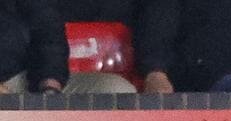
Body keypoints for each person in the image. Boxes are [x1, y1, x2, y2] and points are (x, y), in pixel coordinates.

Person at [0, 1, 135, 94]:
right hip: (5, 83)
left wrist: (50, 85)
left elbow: (47, 29)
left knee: (119, 90)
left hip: (22, 78)